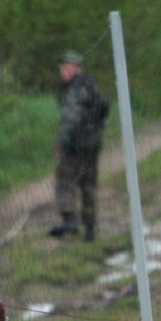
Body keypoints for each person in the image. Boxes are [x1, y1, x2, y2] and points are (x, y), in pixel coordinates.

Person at [51, 49, 109, 241]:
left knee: (64, 181)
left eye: (66, 67)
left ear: (75, 68)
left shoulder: (74, 90)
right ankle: (90, 229)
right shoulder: (92, 86)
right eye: (62, 67)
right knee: (88, 187)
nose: (63, 71)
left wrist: (61, 144)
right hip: (92, 144)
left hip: (75, 145)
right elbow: (103, 110)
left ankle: (70, 220)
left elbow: (70, 119)